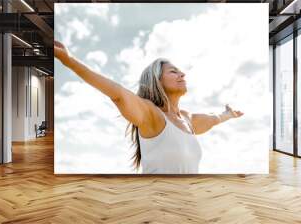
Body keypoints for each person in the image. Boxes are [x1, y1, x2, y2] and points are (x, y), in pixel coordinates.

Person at [54, 40, 244, 174]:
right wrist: (69, 61)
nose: (182, 74)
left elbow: (213, 119)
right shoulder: (152, 115)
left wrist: (228, 114)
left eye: (180, 71)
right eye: (173, 71)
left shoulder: (187, 119)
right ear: (157, 81)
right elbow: (118, 93)